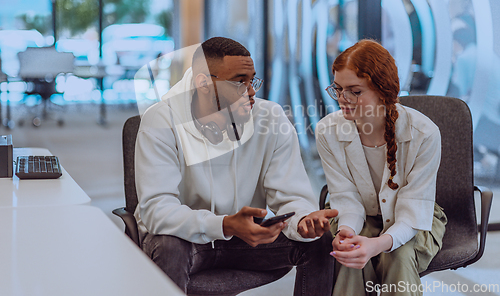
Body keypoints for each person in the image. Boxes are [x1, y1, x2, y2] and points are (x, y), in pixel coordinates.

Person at [134, 37, 337, 295]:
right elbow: (157, 210)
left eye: (252, 81)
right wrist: (225, 224)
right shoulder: (161, 120)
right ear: (204, 83)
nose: (251, 91)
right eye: (239, 82)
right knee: (169, 246)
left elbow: (290, 196)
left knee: (319, 242)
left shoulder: (270, 118)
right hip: (185, 241)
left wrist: (303, 220)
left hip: (244, 240)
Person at [315, 39, 447, 296]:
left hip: (415, 218)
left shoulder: (424, 133)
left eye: (354, 91)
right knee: (349, 255)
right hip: (353, 215)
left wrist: (378, 244)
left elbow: (412, 211)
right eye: (338, 89)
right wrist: (346, 232)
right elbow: (345, 198)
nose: (343, 99)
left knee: (397, 255)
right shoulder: (327, 131)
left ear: (383, 91)